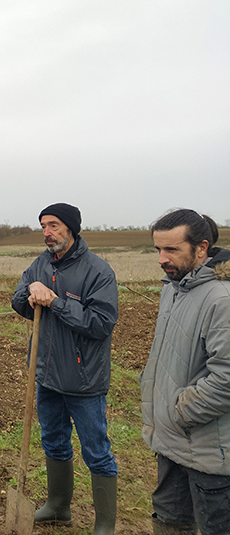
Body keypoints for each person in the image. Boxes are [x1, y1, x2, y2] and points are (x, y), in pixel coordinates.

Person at [11, 203, 118, 534]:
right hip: (45, 375)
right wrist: (30, 292)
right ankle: (59, 507)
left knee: (96, 451)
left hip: (83, 380)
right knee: (54, 441)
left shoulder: (98, 271)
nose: (47, 232)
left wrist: (56, 302)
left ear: (72, 228)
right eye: (43, 226)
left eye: (54, 225)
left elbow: (100, 324)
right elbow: (17, 301)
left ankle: (104, 524)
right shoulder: (40, 264)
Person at [141, 210, 230, 535]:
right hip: (172, 442)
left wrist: (180, 411)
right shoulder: (174, 289)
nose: (162, 259)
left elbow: (227, 380)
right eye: (158, 250)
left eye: (172, 250)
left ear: (202, 248)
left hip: (209, 451)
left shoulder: (222, 300)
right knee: (170, 523)